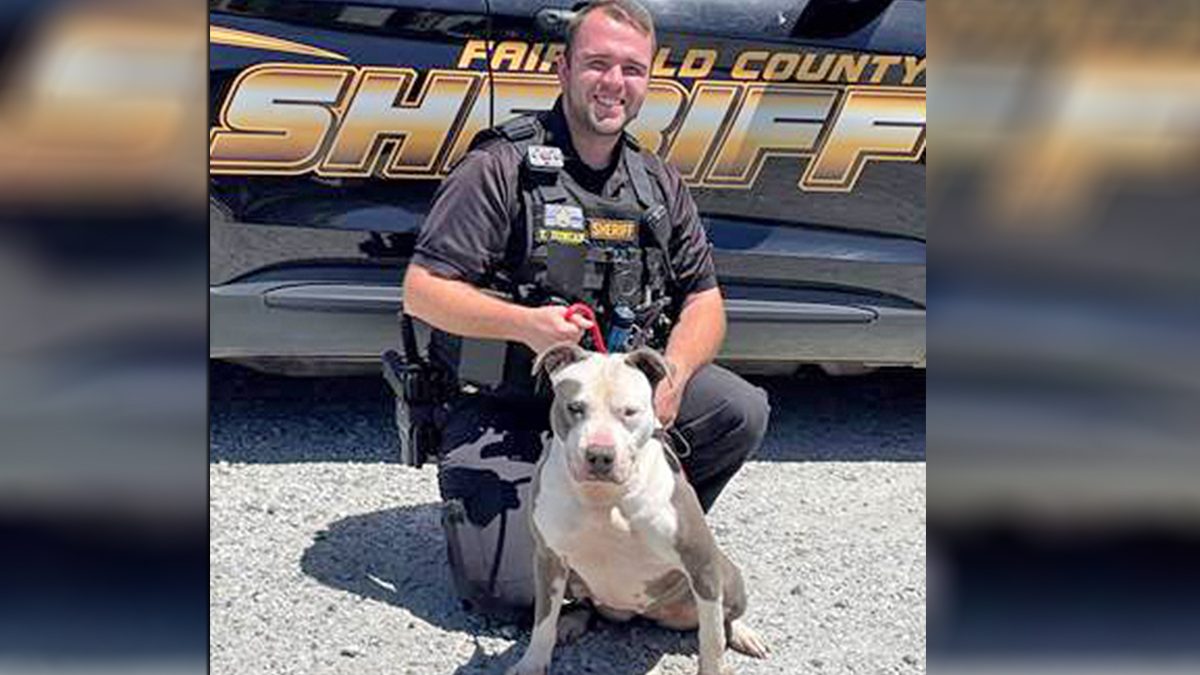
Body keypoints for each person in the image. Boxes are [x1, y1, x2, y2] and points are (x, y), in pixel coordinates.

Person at [401, 0, 770, 618]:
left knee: (738, 410)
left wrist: (674, 376)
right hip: (510, 411)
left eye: (632, 69)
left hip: (615, 412)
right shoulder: (500, 167)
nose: (613, 83)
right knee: (512, 595)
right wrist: (525, 325)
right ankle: (568, 554)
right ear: (564, 69)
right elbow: (423, 289)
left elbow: (705, 299)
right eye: (597, 64)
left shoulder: (656, 183)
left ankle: (640, 544)